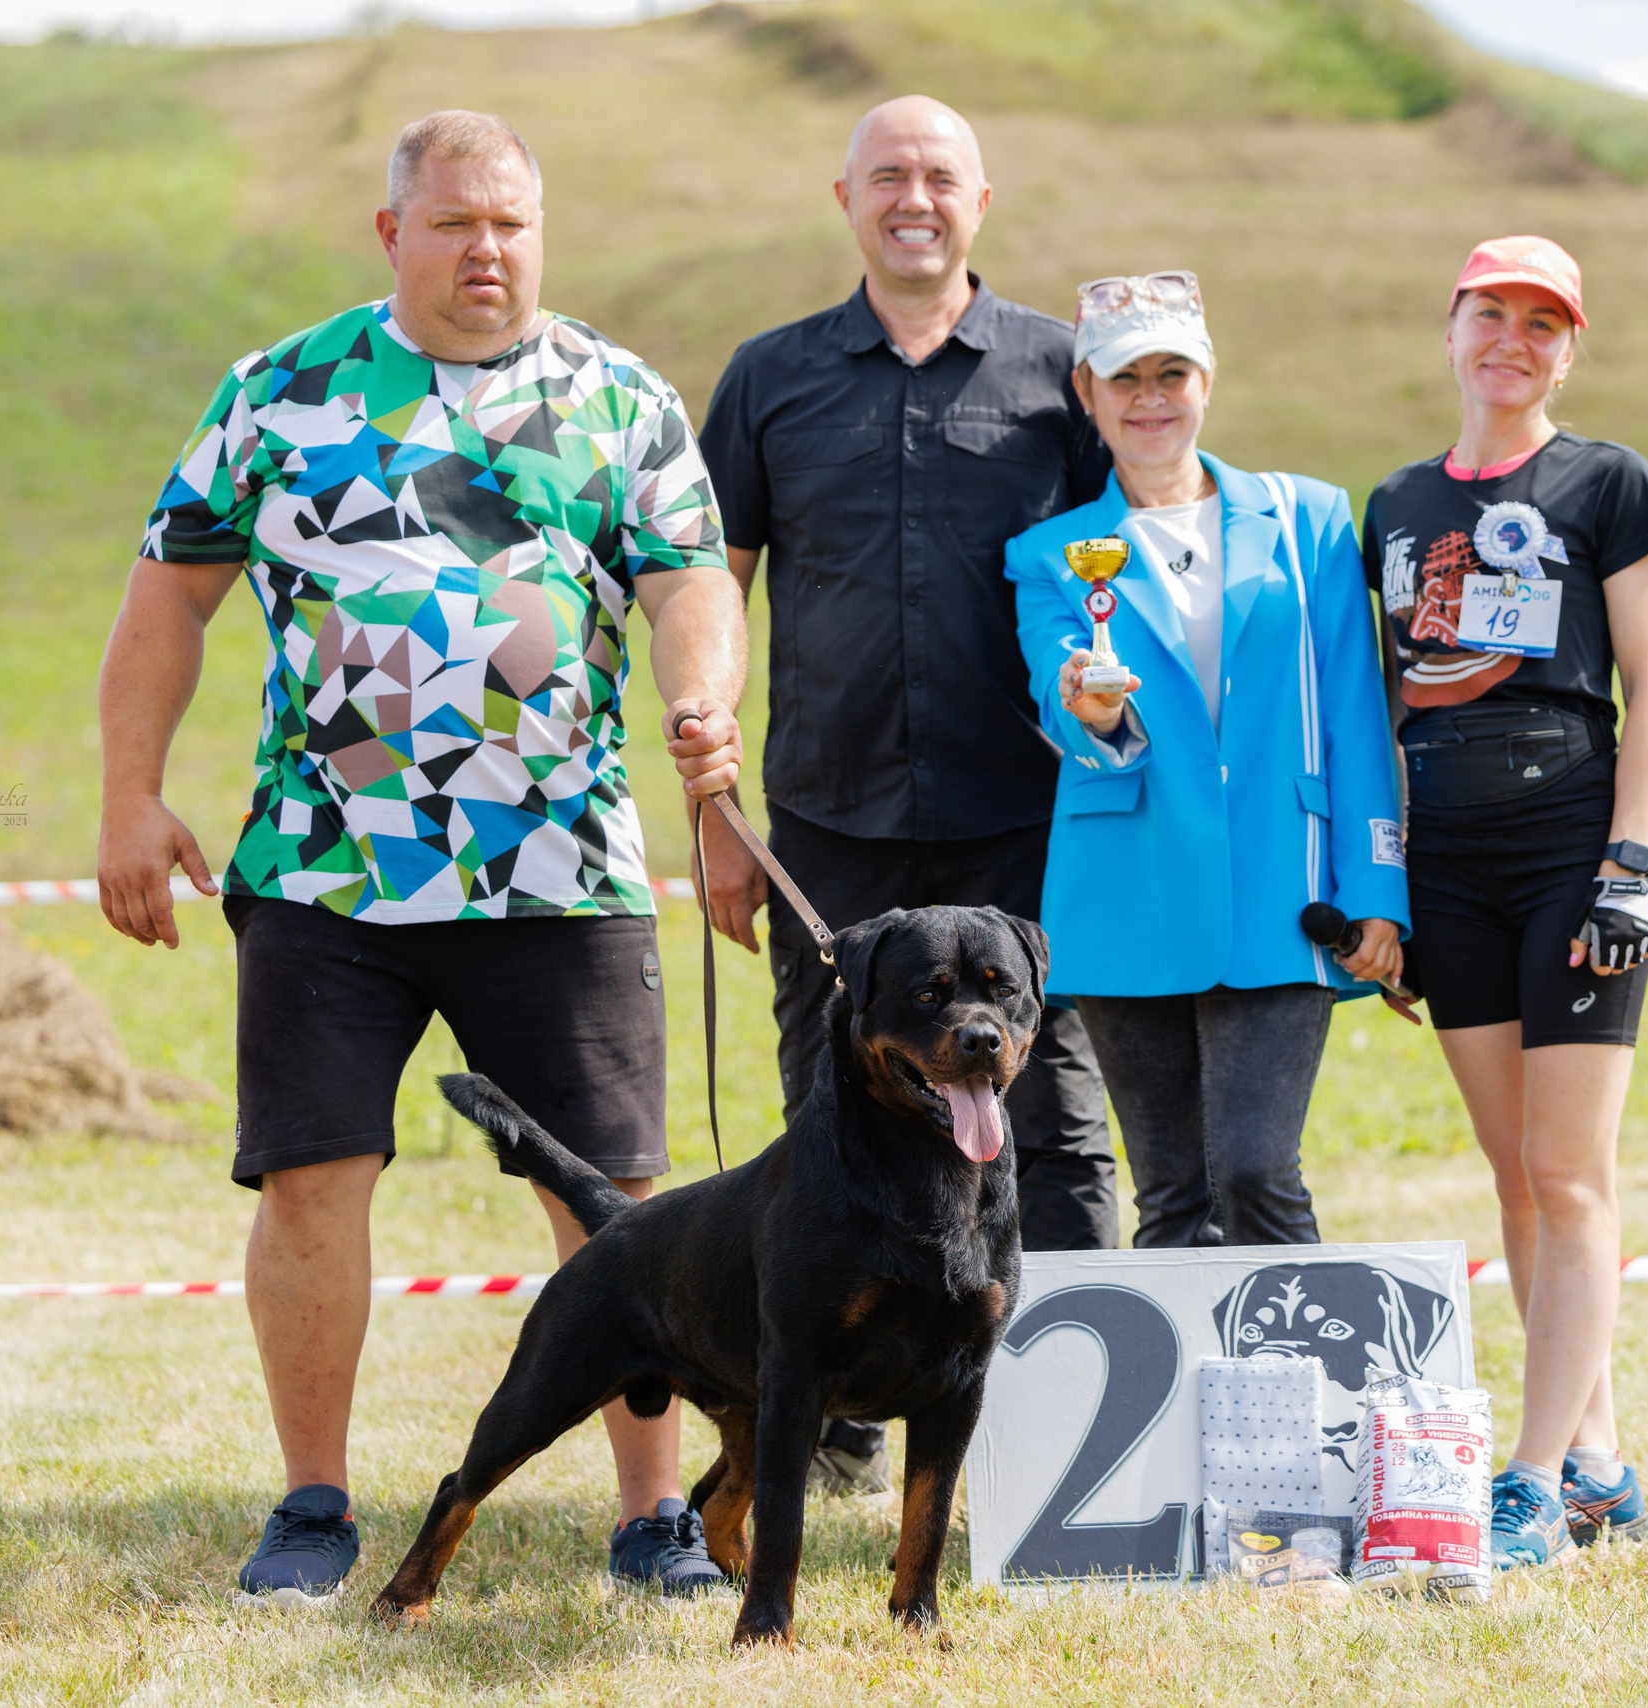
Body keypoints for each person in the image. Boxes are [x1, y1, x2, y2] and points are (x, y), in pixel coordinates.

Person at [96, 111, 751, 1606]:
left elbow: (689, 582)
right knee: (310, 1184)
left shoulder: (617, 396)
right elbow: (168, 599)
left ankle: (653, 1518)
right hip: (326, 871)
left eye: (511, 222)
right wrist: (131, 795)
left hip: (559, 869)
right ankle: (313, 1507)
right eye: (455, 223)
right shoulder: (281, 391)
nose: (487, 250)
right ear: (393, 232)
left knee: (615, 1203)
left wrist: (704, 700)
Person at [697, 96, 1122, 1483]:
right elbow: (712, 592)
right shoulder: (768, 377)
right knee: (831, 1124)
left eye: (941, 176)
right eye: (887, 175)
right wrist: (715, 816)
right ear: (846, 199)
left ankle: (1068, 1442)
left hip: (1025, 821)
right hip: (826, 826)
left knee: (1052, 1122)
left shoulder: (1064, 375)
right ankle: (830, 1433)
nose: (914, 198)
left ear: (981, 202)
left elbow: (1130, 571)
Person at [1364, 236, 1648, 1569]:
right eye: (1489, 313)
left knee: (1569, 1173)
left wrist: (1630, 861)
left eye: (1540, 323)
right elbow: (1381, 707)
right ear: (1449, 330)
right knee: (1513, 1176)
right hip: (1446, 863)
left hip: (1569, 849)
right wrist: (1379, 889)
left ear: (1568, 350)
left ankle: (1535, 1481)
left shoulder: (1608, 481)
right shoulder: (1392, 503)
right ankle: (1600, 1464)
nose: (1511, 339)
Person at [1004, 271, 1411, 1248]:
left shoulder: (1311, 519)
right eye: (1125, 377)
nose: (1150, 398)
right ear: (1085, 392)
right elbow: (1062, 698)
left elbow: (1356, 717)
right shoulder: (1049, 553)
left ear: (1208, 380)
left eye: (1171, 373)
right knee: (1173, 1196)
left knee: (1255, 1169)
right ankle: (1187, 1360)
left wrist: (1379, 888)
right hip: (1126, 892)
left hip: (1287, 888)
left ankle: (1306, 1353)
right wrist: (1092, 707)